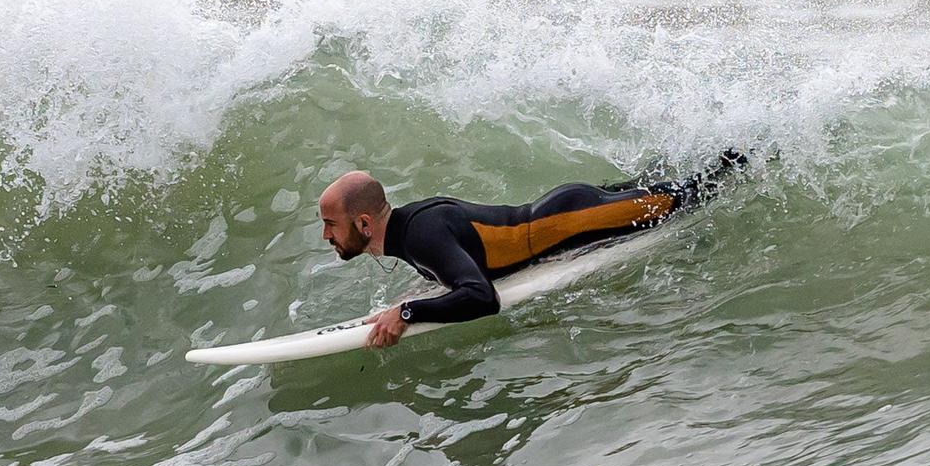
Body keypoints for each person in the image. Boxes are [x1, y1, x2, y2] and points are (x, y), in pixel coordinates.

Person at [318, 150, 744, 348]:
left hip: (576, 219)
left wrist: (409, 312)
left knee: (695, 191)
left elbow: (483, 297)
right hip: (566, 208)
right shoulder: (411, 230)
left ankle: (759, 151)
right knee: (681, 184)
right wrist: (408, 301)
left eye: (330, 225)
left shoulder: (420, 236)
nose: (326, 237)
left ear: (364, 223)